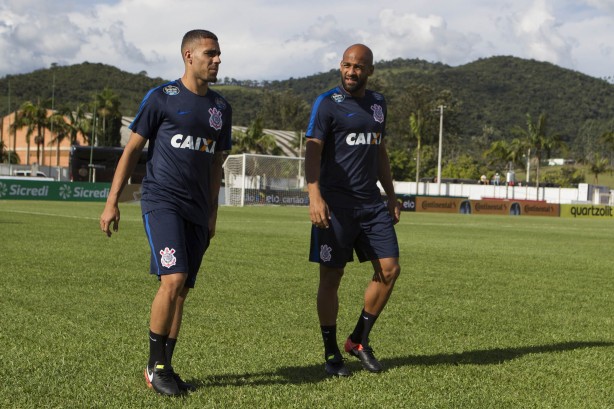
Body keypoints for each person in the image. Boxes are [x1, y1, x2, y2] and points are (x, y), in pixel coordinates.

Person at [99, 29, 232, 396]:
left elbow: (216, 166)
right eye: (210, 53)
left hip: (198, 208)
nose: (217, 59)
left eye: (219, 53)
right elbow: (131, 151)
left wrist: (213, 213)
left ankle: (167, 367)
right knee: (172, 280)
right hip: (162, 201)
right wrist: (112, 202)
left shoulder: (221, 108)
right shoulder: (162, 98)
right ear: (189, 56)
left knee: (182, 291)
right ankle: (154, 367)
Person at [305, 44, 401, 377]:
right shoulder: (327, 103)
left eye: (358, 67)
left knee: (389, 270)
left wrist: (390, 195)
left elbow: (380, 152)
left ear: (370, 71)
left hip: (371, 205)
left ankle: (358, 339)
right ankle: (332, 351)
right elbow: (312, 152)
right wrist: (314, 194)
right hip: (335, 206)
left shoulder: (378, 104)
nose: (351, 72)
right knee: (332, 277)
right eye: (346, 65)